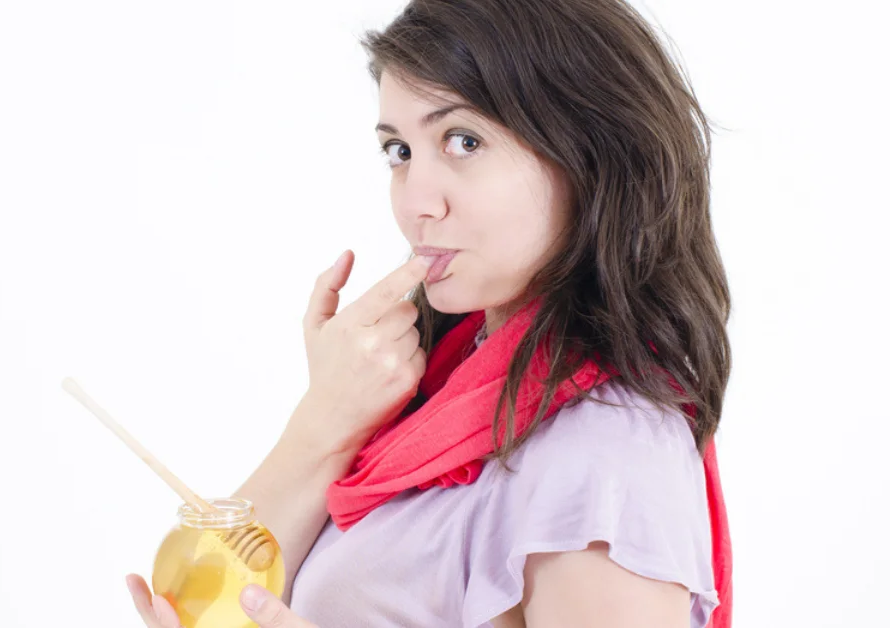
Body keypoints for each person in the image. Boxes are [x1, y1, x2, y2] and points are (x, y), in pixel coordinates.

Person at [126, 0, 733, 625]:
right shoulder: (443, 388)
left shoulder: (606, 455)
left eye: (463, 141)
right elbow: (221, 601)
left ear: (592, 155)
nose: (416, 201)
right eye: (400, 150)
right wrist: (327, 419)